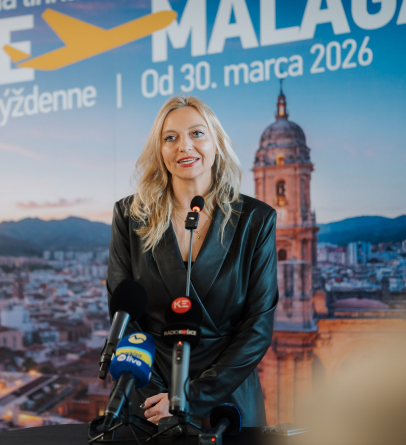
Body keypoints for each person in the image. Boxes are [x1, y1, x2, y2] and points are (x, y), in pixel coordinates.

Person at [106, 95, 278, 427]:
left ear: (217, 143)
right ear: (159, 150)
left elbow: (258, 326)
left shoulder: (256, 219)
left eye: (197, 133)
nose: (184, 146)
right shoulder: (129, 215)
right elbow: (123, 316)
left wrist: (189, 397)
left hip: (226, 403)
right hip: (146, 398)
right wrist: (159, 397)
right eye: (170, 137)